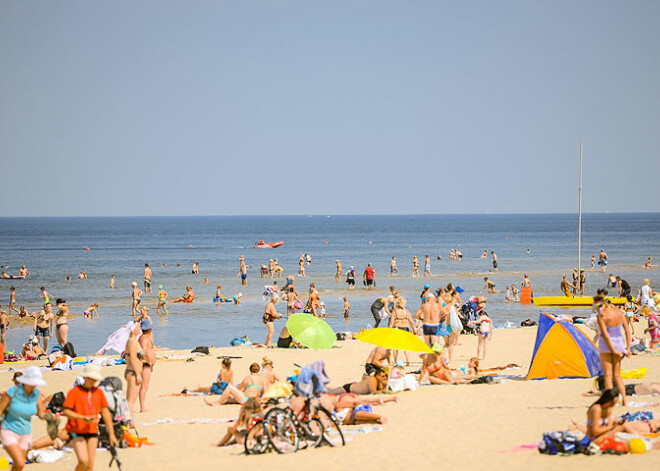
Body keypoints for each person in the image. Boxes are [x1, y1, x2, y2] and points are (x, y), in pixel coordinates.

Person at [63, 364, 118, 470]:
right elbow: (65, 411)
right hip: (75, 431)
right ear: (85, 378)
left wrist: (111, 434)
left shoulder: (98, 392)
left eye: (95, 379)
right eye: (91, 379)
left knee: (90, 464)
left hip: (92, 431)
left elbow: (105, 413)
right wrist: (82, 417)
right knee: (84, 461)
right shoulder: (74, 392)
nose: (93, 382)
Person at [0, 366, 47, 471]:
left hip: (25, 433)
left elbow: (40, 414)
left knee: (20, 464)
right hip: (8, 430)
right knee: (20, 462)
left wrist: (50, 419)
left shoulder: (36, 394)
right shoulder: (13, 391)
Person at [596, 296, 631, 405]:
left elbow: (606, 335)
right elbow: (627, 330)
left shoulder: (602, 315)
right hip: (619, 343)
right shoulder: (620, 313)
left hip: (606, 345)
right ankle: (624, 400)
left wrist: (612, 349)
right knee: (617, 375)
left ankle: (610, 400)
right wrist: (628, 348)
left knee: (607, 375)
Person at [123, 323, 143, 416]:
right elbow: (132, 358)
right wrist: (138, 374)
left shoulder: (134, 341)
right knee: (131, 400)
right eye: (138, 327)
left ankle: (128, 420)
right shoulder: (132, 341)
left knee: (131, 400)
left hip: (135, 372)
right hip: (133, 373)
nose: (140, 329)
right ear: (133, 330)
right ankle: (129, 422)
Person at [389, 297, 415, 365]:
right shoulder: (406, 311)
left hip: (397, 328)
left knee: (395, 346)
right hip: (405, 328)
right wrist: (414, 329)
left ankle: (395, 361)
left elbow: (391, 322)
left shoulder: (395, 311)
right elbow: (411, 322)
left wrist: (389, 330)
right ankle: (408, 360)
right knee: (405, 346)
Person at [138, 316, 156, 413]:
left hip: (147, 364)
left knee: (145, 386)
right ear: (149, 329)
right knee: (144, 386)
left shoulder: (146, 337)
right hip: (146, 365)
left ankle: (143, 406)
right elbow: (143, 351)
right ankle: (142, 407)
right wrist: (147, 361)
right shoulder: (144, 339)